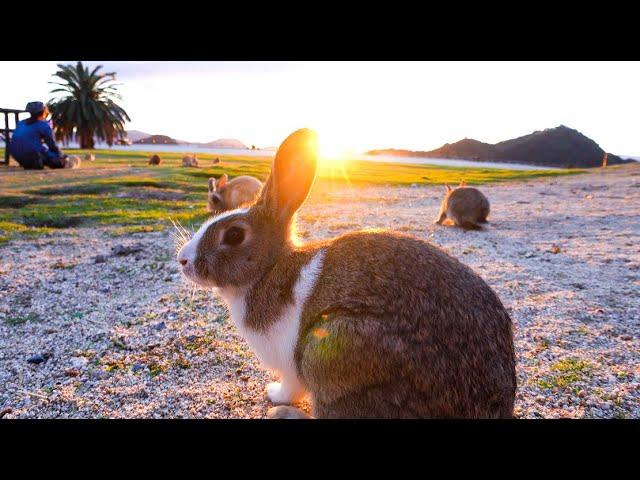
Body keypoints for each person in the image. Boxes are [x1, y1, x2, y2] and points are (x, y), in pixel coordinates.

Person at [9, 101, 67, 169]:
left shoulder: (21, 123)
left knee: (42, 150)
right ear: (43, 112)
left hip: (16, 155)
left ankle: (32, 163)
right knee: (58, 159)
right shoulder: (42, 125)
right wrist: (60, 155)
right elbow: (51, 144)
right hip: (33, 154)